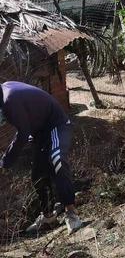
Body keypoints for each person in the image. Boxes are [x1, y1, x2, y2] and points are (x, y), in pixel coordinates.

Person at [0, 82, 82, 234]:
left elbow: (23, 134)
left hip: (56, 125)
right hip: (40, 132)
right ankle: (48, 217)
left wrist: (5, 162)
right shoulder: (5, 93)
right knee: (38, 175)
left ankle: (71, 213)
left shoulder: (9, 100)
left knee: (57, 159)